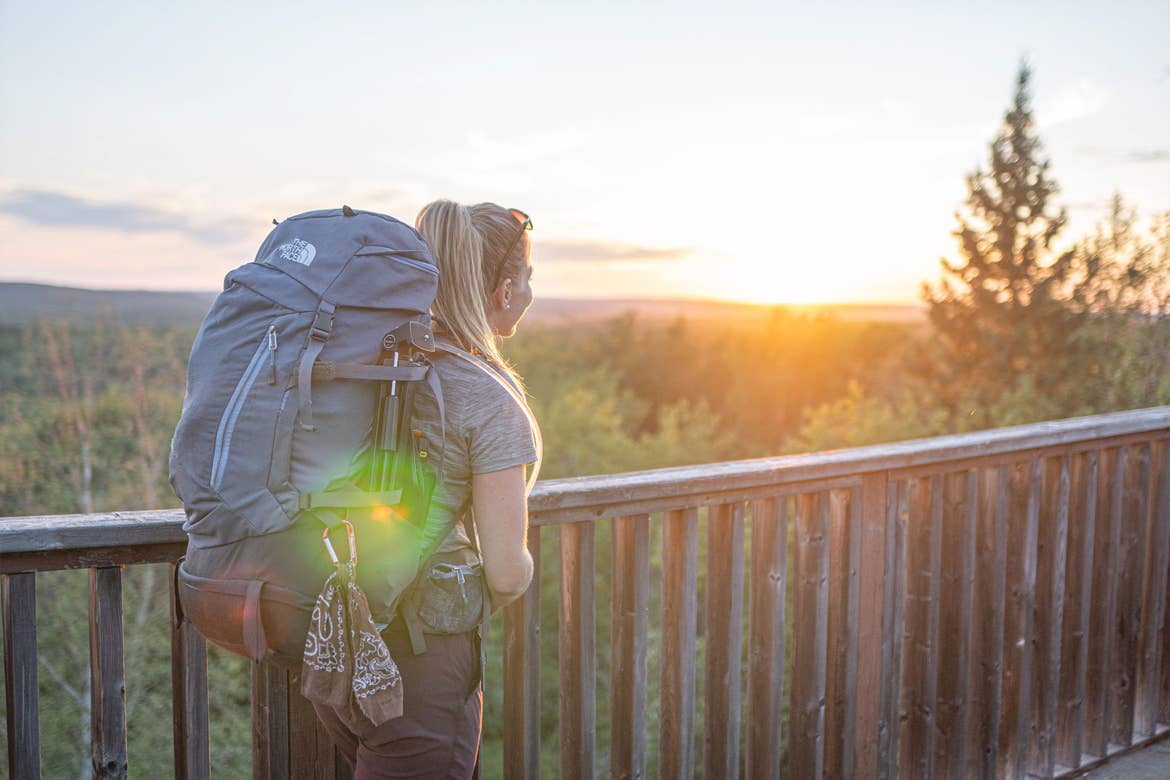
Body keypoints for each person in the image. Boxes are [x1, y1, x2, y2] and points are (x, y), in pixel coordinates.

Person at [311, 200, 541, 779]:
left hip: (339, 640)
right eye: (528, 278)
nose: (531, 292)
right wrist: (523, 568)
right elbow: (507, 574)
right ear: (501, 290)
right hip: (423, 663)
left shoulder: (374, 368)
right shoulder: (486, 397)